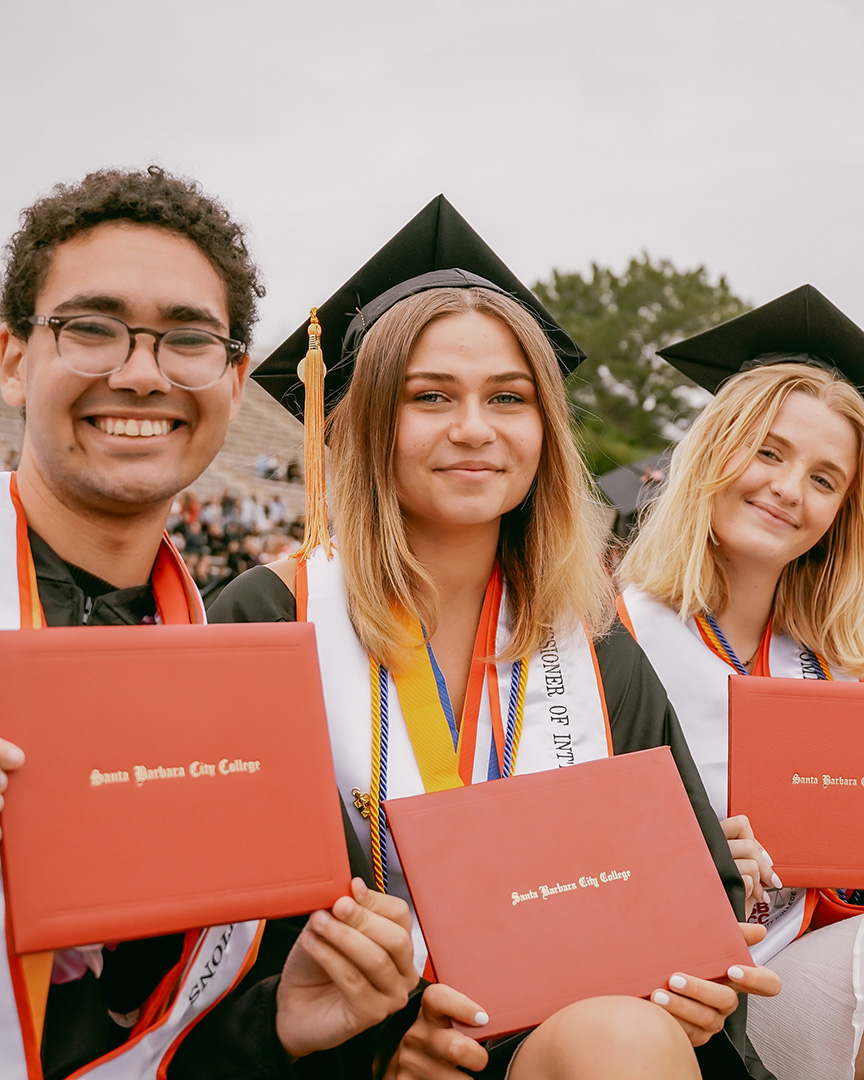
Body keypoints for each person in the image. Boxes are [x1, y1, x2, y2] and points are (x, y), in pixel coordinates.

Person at [210, 195, 779, 1080]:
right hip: (359, 1052)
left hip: (570, 1041)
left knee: (623, 1041)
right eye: (430, 396)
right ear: (361, 420)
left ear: (544, 429)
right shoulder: (270, 616)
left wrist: (698, 988)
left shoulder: (591, 639)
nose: (474, 428)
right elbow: (218, 935)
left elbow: (696, 886)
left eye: (508, 398)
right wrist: (383, 1048)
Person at [0, 167, 417, 1080]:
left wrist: (277, 1026)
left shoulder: (236, 685)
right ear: (13, 358)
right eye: (92, 328)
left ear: (232, 379)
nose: (140, 374)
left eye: (187, 339)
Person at [618, 285, 864, 1080]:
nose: (790, 489)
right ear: (713, 453)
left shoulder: (842, 667)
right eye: (768, 452)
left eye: (825, 479)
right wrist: (685, 856)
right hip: (659, 989)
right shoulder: (609, 641)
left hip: (798, 961)